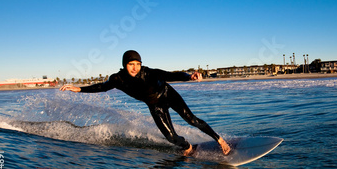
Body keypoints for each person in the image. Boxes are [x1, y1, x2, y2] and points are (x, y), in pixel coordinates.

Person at [60, 50, 230, 156]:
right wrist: (79, 89)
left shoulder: (149, 73)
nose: (135, 67)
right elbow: (102, 87)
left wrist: (189, 77)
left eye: (138, 64)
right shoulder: (117, 79)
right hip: (154, 105)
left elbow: (171, 75)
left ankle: (220, 140)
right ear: (124, 64)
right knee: (171, 138)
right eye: (131, 64)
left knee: (192, 120)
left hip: (168, 94)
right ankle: (188, 147)